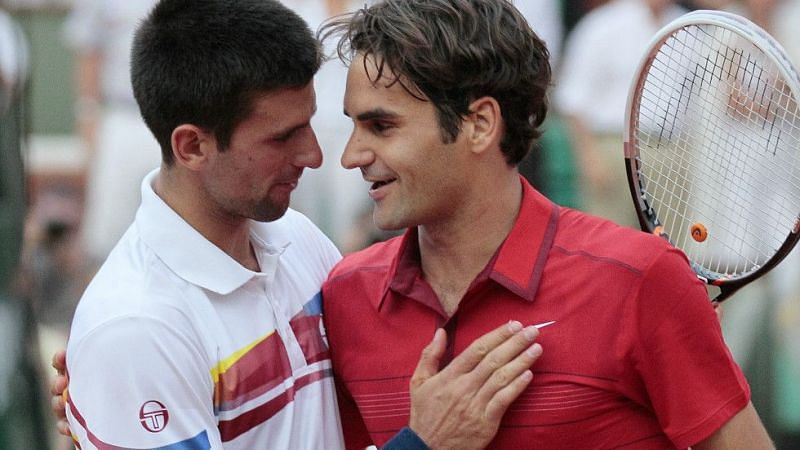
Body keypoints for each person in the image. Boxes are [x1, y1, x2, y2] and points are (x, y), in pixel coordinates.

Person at [57, 0, 542, 449]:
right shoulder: (136, 329)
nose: (314, 155)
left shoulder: (298, 240)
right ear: (192, 147)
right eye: (283, 137)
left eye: (310, 123)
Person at [317, 0, 774, 448]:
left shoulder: (640, 278)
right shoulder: (344, 297)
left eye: (381, 126)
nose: (352, 155)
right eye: (354, 126)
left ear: (479, 124)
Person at [553, 0, 687, 227]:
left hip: (672, 153)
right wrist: (589, 157)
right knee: (610, 239)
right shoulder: (603, 25)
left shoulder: (689, 27)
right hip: (614, 149)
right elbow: (573, 99)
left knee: (671, 245)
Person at [63, 0, 162, 267]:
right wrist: (87, 116)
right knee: (108, 239)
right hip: (125, 114)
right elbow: (88, 46)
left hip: (192, 116)